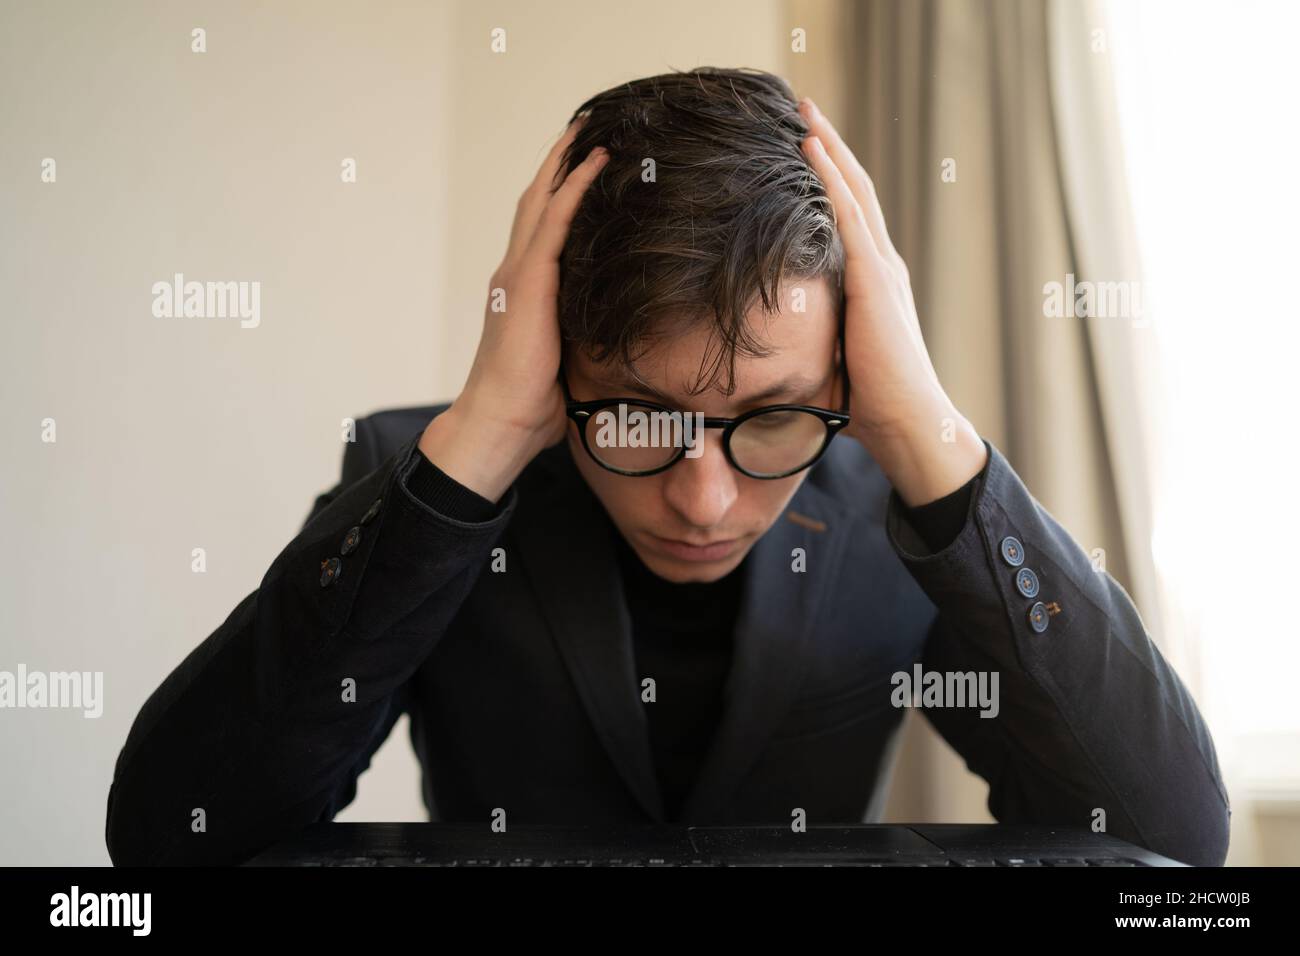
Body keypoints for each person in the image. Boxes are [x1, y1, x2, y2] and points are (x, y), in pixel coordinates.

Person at [105, 67, 1230, 867]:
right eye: (636, 418)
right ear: (555, 357)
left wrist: (928, 430)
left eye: (775, 417)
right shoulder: (429, 480)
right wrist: (486, 429)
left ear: (843, 370)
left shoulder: (903, 502)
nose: (702, 498)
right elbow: (171, 834)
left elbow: (1166, 835)